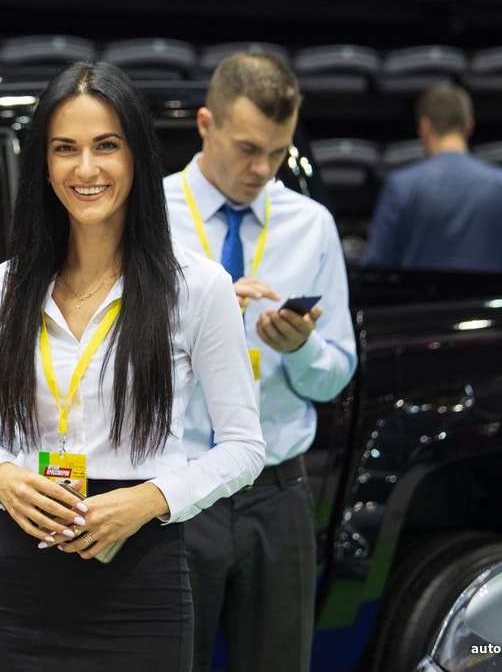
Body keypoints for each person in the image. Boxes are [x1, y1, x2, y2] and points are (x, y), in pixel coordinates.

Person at [0, 61, 265, 671]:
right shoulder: (3, 288)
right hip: (26, 578)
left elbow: (244, 446)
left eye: (106, 145)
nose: (86, 169)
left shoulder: (197, 286)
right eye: (65, 149)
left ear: (137, 157)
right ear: (43, 164)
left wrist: (150, 499)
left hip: (141, 578)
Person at [163, 52, 358, 672]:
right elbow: (105, 362)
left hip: (276, 491)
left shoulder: (311, 225)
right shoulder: (145, 216)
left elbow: (335, 375)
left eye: (277, 152)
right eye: (247, 149)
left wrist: (301, 349)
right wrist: (200, 308)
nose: (261, 169)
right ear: (206, 124)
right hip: (175, 488)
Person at [360, 82, 502, 272]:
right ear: (469, 126)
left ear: (424, 126)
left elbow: (377, 266)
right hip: (484, 292)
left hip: (420, 293)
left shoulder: (400, 185)